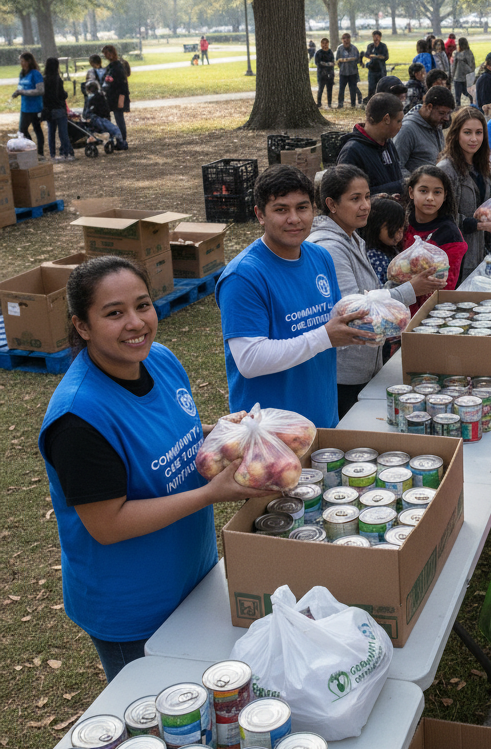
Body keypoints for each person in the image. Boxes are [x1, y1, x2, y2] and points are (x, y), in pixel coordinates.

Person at [40, 257, 269, 681]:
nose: (136, 323)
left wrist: (217, 432)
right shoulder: (79, 419)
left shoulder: (159, 359)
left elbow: (172, 434)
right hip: (132, 607)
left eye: (142, 305)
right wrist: (209, 494)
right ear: (82, 326)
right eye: (114, 313)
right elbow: (107, 524)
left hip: (191, 574)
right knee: (158, 714)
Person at [215, 165, 376, 429]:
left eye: (302, 208)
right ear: (260, 215)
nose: (294, 219)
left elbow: (334, 324)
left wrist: (369, 324)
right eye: (281, 209)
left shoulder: (319, 256)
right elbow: (249, 360)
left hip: (323, 418)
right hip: (271, 434)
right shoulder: (243, 276)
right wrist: (324, 336)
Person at [307, 165, 441, 416]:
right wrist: (409, 290)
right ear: (331, 204)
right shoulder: (330, 247)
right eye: (355, 199)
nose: (366, 205)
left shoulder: (353, 237)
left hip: (363, 360)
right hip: (345, 369)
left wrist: (401, 282)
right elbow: (356, 311)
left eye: (367, 196)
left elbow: (371, 293)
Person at [437, 107, 491, 280]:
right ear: (456, 134)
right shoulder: (446, 170)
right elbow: (441, 217)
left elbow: (482, 205)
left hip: (483, 252)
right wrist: (480, 225)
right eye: (467, 132)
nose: (474, 139)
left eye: (479, 133)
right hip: (457, 259)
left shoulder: (481, 166)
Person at [401, 165, 468, 305]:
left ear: (445, 196)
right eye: (423, 191)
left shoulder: (450, 235)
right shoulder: (401, 224)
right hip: (393, 305)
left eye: (437, 192)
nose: (430, 198)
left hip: (426, 313)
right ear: (411, 192)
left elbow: (444, 287)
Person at [334, 92, 406, 195]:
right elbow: (349, 196)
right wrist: (399, 187)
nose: (401, 125)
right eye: (399, 121)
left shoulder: (387, 143)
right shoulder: (352, 152)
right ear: (386, 119)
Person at [394, 85, 454, 175]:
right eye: (442, 113)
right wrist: (418, 183)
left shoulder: (435, 123)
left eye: (448, 113)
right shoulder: (407, 130)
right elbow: (396, 168)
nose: (446, 118)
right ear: (429, 107)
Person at [358, 195, 408, 286]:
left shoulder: (391, 249)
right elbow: (378, 291)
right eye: (393, 228)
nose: (399, 234)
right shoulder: (374, 256)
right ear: (375, 226)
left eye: (401, 227)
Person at [13, 51, 45, 157]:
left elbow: (40, 90)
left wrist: (24, 92)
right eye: (20, 61)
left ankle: (39, 152)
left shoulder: (35, 73)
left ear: (29, 61)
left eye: (23, 61)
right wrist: (17, 92)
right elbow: (21, 87)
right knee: (22, 131)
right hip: (25, 107)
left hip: (35, 107)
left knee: (33, 129)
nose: (21, 63)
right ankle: (31, 149)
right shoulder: (22, 74)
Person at [42, 56, 72, 161]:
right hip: (59, 108)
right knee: (63, 132)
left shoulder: (44, 79)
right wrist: (66, 94)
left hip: (49, 110)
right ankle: (65, 153)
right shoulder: (57, 79)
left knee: (51, 133)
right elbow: (62, 94)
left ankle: (52, 154)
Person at [81, 80, 126, 148]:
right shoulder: (101, 96)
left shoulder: (91, 98)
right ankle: (120, 143)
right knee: (113, 130)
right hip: (103, 118)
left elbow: (86, 113)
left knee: (100, 130)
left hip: (96, 120)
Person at [102, 44, 130, 145]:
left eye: (107, 53)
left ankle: (122, 140)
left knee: (119, 119)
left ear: (112, 53)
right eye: (104, 54)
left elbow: (122, 85)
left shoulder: (117, 67)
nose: (105, 56)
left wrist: (121, 100)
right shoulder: (111, 66)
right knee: (115, 118)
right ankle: (117, 139)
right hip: (111, 96)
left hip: (118, 96)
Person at [335, 32, 361, 108]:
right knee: (341, 89)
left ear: (350, 39)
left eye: (347, 38)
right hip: (343, 72)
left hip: (353, 72)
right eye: (344, 39)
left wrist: (345, 60)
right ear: (342, 40)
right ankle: (340, 104)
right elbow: (337, 60)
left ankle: (353, 104)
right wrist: (346, 61)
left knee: (353, 89)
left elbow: (357, 59)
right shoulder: (339, 48)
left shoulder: (354, 48)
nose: (346, 40)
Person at [363, 30, 389, 96]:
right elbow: (367, 56)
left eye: (378, 37)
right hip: (372, 70)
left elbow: (385, 57)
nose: (376, 39)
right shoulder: (370, 46)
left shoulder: (383, 46)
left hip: (381, 70)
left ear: (380, 37)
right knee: (371, 87)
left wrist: (375, 56)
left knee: (381, 87)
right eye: (374, 37)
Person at [451, 37, 476, 105]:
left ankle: (458, 109)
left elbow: (454, 66)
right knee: (469, 93)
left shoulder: (457, 54)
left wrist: (452, 75)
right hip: (468, 76)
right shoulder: (470, 53)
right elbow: (473, 65)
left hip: (458, 77)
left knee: (457, 96)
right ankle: (472, 106)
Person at [313, 37, 336, 108]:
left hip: (330, 74)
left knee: (330, 90)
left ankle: (329, 103)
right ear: (321, 44)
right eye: (323, 43)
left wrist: (325, 64)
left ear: (328, 44)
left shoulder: (330, 52)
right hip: (321, 74)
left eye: (326, 43)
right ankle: (319, 103)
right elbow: (317, 63)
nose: (324, 45)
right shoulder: (318, 53)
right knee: (320, 89)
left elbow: (333, 63)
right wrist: (327, 64)